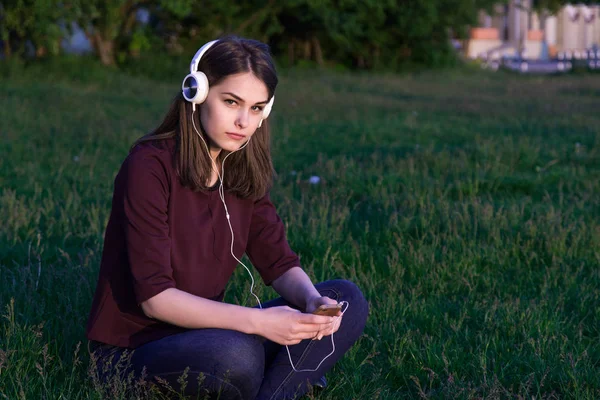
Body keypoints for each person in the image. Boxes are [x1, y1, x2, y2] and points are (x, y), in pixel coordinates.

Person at [86, 35, 369, 400]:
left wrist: (313, 301)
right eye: (231, 102)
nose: (242, 121)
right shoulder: (149, 166)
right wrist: (260, 323)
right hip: (133, 352)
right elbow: (155, 299)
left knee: (346, 298)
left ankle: (270, 390)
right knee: (238, 354)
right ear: (197, 92)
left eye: (256, 108)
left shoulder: (240, 168)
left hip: (208, 332)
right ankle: (285, 377)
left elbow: (277, 260)